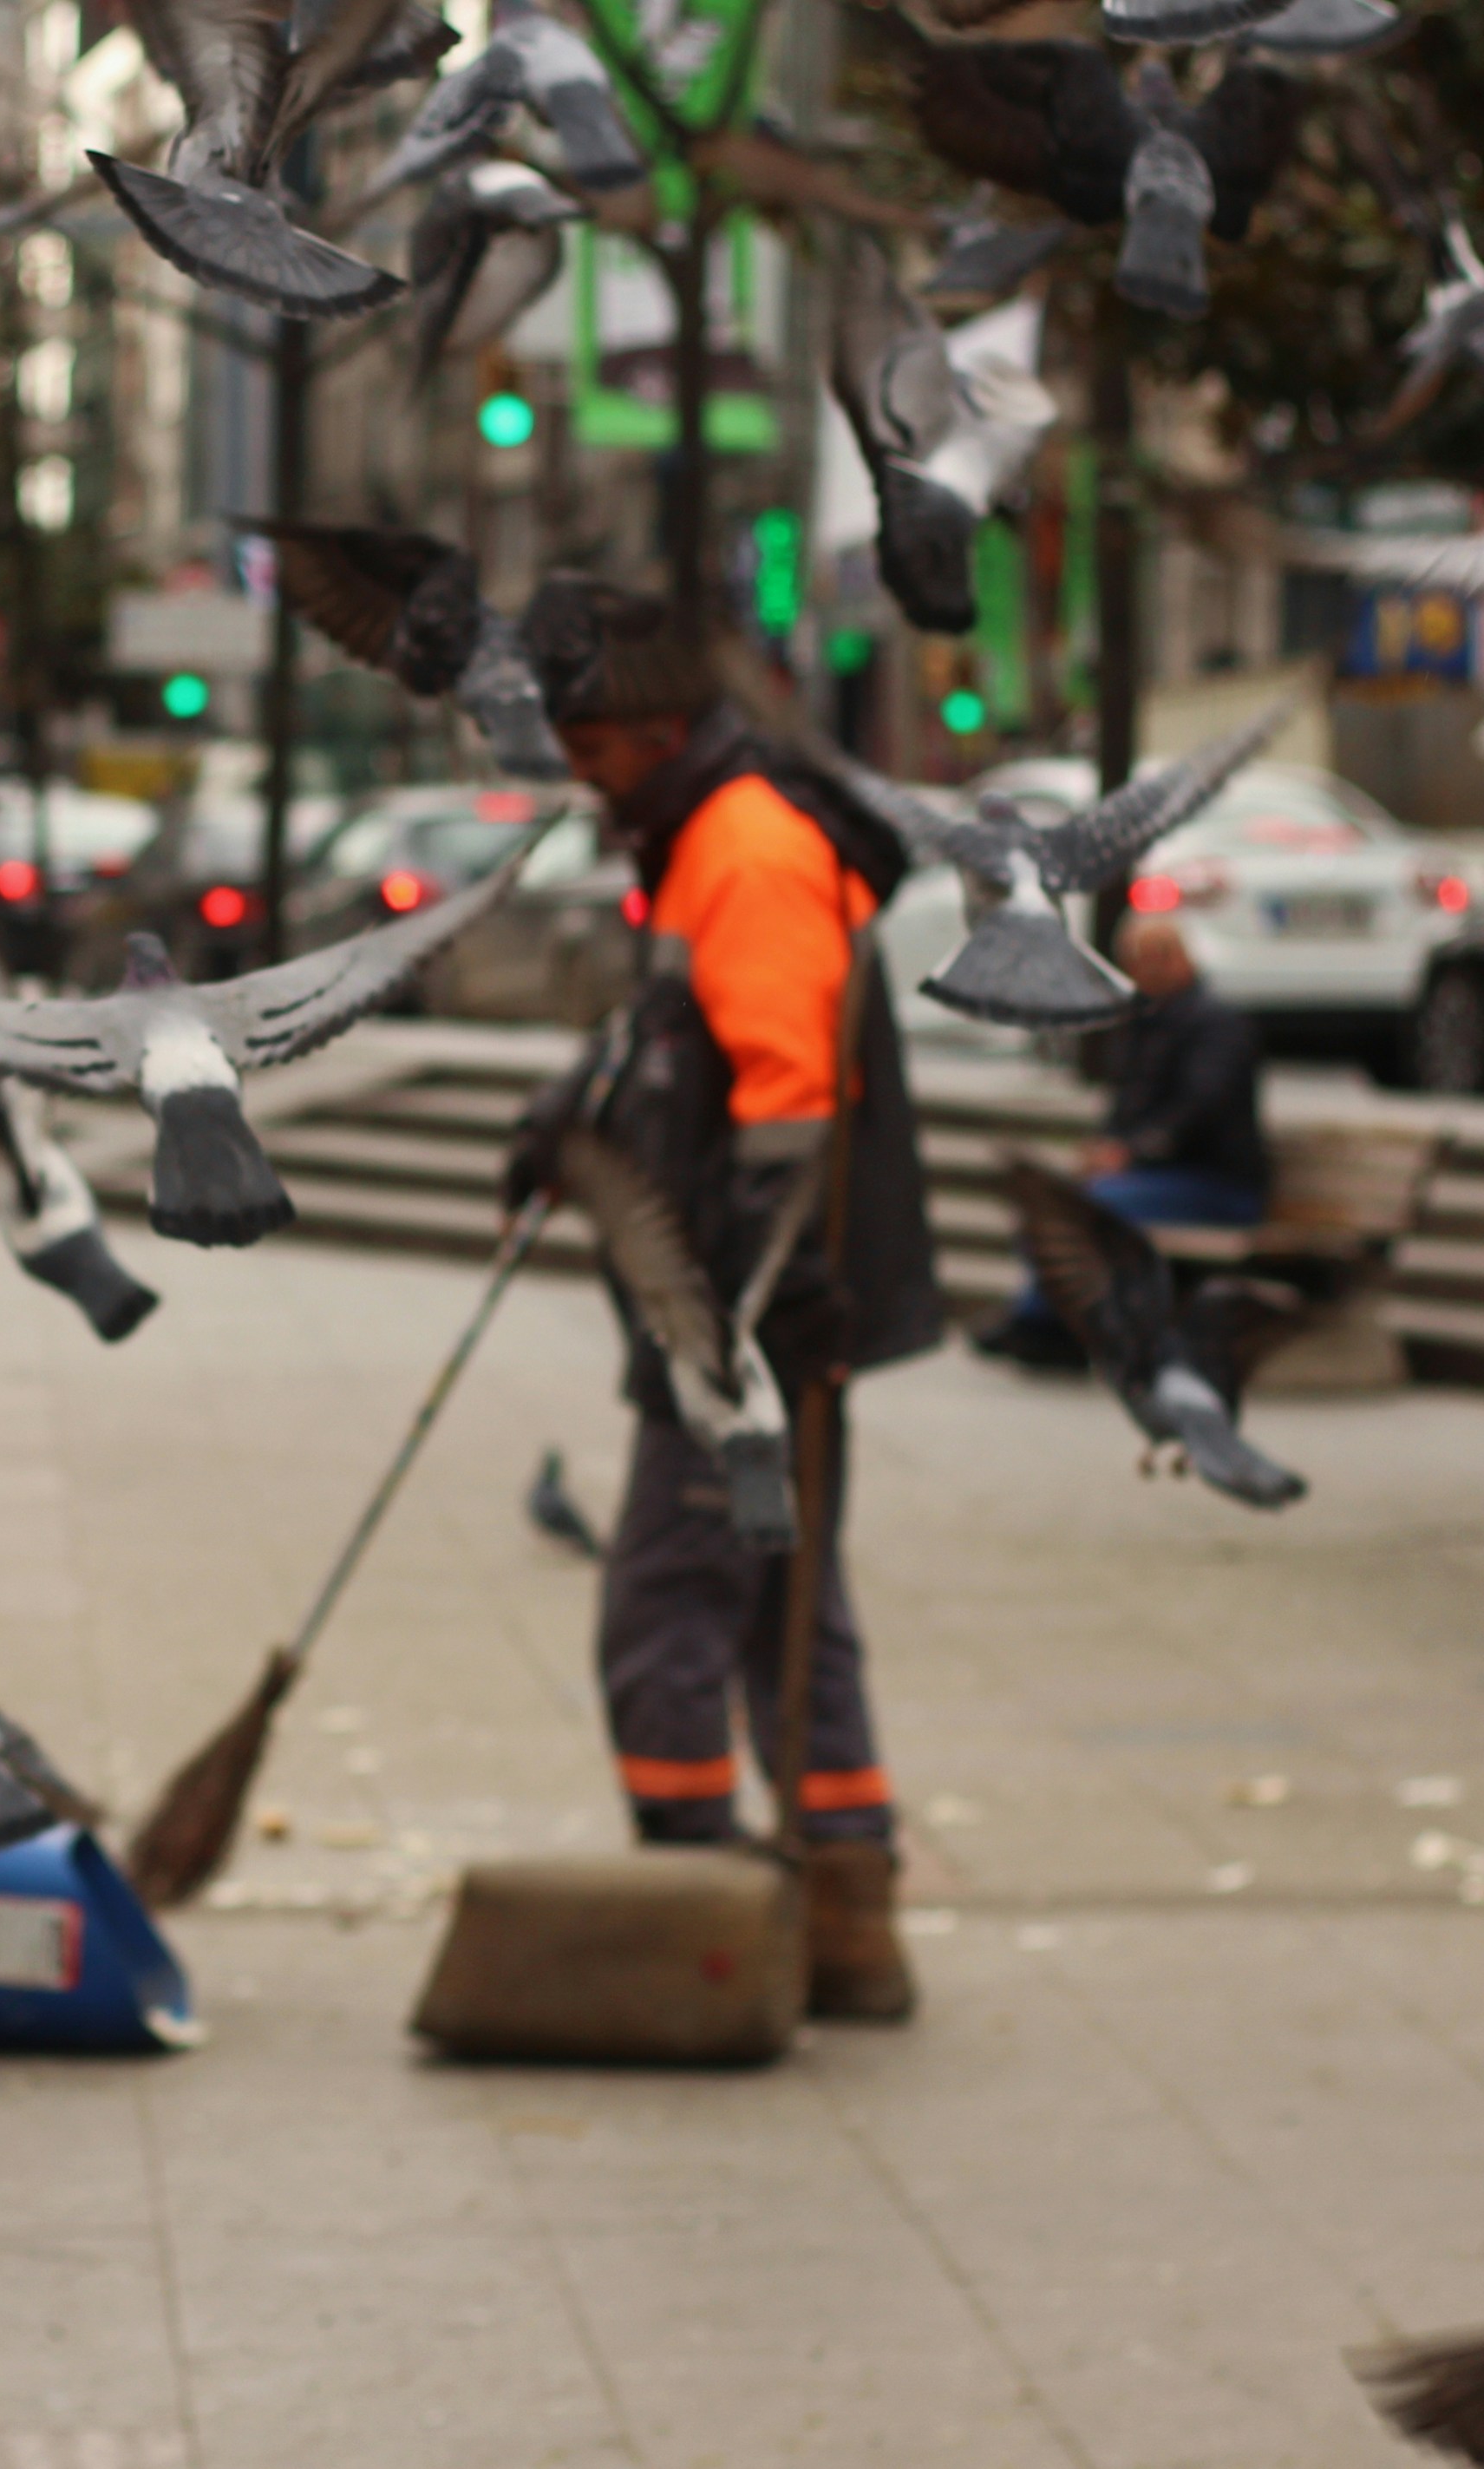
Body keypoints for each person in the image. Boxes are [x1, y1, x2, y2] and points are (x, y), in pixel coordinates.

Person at [502, 584, 944, 2023]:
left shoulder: (746, 848)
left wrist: (763, 1303)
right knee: (781, 1610)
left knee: (669, 1607)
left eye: (588, 748)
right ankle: (845, 1917)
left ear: (652, 728)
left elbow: (786, 1103)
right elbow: (680, 1039)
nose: (575, 774)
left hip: (737, 1318)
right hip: (740, 1300)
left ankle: (698, 1905)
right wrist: (573, 1114)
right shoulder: (701, 836)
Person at [972, 915, 1269, 1367]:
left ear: (1177, 957)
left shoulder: (1216, 1025)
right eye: (1131, 962)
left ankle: (1050, 1325)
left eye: (1147, 959)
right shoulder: (1145, 1022)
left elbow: (1203, 1109)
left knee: (1093, 1211)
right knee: (1055, 1204)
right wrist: (1107, 1146)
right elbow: (1129, 1106)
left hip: (1216, 1182)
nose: (1138, 972)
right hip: (1159, 1176)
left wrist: (1134, 1151)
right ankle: (1056, 1322)